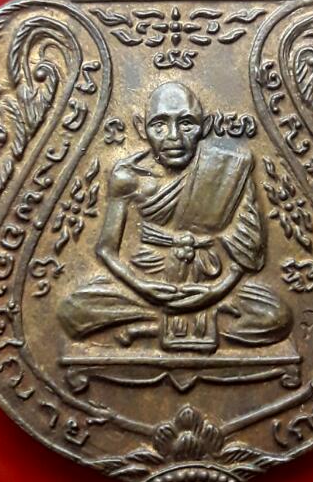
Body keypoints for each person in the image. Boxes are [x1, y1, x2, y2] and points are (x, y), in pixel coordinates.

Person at [57, 82, 292, 351]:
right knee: (72, 312)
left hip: (213, 283)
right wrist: (144, 287)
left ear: (205, 126)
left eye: (187, 124)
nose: (174, 137)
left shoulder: (229, 166)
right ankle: (176, 319)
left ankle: (157, 324)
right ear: (141, 128)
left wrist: (216, 291)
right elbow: (106, 250)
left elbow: (248, 250)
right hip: (146, 282)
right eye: (159, 125)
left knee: (277, 317)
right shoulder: (127, 176)